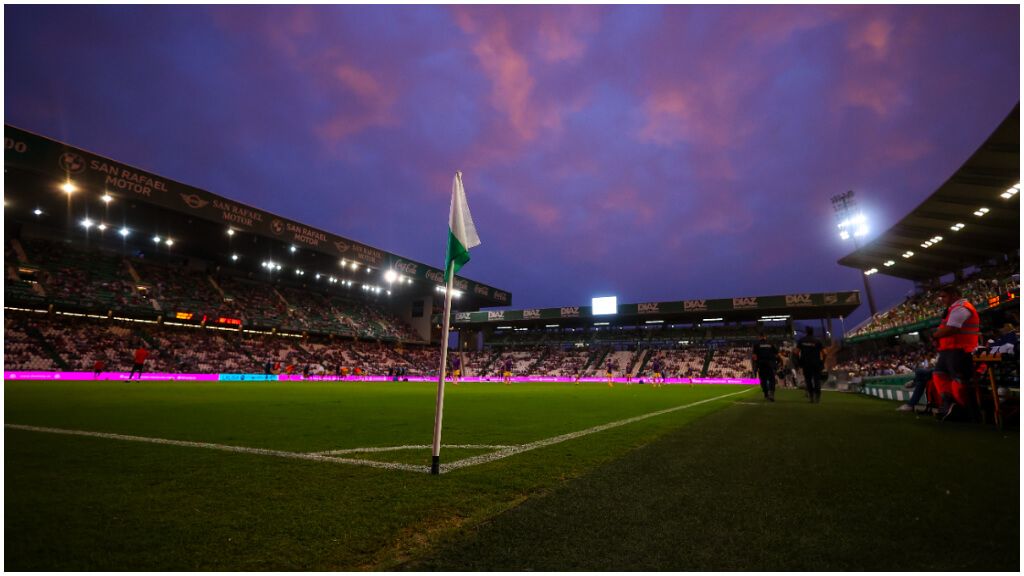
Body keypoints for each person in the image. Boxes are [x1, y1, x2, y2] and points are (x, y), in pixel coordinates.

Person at [931, 285, 980, 421]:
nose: (941, 299)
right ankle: (950, 405)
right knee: (939, 375)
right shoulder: (952, 309)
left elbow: (952, 329)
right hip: (948, 350)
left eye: (944, 296)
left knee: (959, 381)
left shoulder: (962, 307)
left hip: (960, 350)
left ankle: (966, 411)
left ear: (954, 295)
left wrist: (934, 336)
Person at [795, 326, 824, 403]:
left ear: (806, 332)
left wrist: (799, 362)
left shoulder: (801, 340)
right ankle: (817, 396)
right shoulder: (817, 341)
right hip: (816, 363)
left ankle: (811, 397)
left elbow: (796, 352)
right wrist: (822, 362)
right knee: (817, 380)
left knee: (808, 380)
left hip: (806, 363)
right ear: (813, 332)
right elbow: (825, 353)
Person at [752, 334, 779, 402]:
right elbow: (776, 353)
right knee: (772, 379)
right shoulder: (771, 343)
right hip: (770, 364)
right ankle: (772, 393)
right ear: (765, 337)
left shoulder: (756, 344)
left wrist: (755, 366)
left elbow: (754, 357)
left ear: (759, 337)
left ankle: (766, 394)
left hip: (761, 364)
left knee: (763, 380)